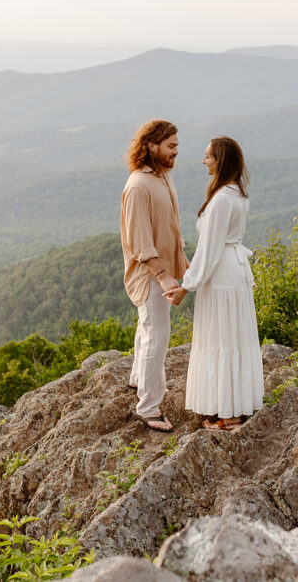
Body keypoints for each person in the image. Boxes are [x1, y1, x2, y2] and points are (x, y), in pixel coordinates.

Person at [166, 136, 264, 431]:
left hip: (221, 275)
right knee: (235, 338)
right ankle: (236, 408)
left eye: (208, 156)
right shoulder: (237, 194)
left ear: (220, 160)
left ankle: (228, 415)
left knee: (221, 339)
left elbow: (210, 250)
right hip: (235, 271)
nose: (204, 160)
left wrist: (187, 285)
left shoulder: (221, 199)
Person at [120, 119, 189, 432]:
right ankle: (148, 407)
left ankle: (137, 379)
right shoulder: (138, 186)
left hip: (163, 269)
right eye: (171, 145)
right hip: (149, 275)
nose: (177, 151)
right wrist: (164, 278)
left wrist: (182, 260)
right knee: (157, 336)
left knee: (147, 327)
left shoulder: (163, 178)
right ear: (151, 146)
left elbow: (170, 228)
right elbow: (141, 243)